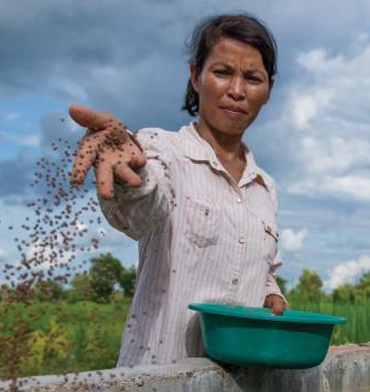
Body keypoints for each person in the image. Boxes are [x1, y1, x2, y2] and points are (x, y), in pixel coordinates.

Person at [69, 14, 288, 366]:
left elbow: (264, 273)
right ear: (195, 77)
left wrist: (270, 296)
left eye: (252, 78)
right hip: (157, 388)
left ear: (268, 90)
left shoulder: (266, 189)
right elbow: (141, 213)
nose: (236, 90)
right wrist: (131, 177)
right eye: (222, 72)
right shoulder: (161, 150)